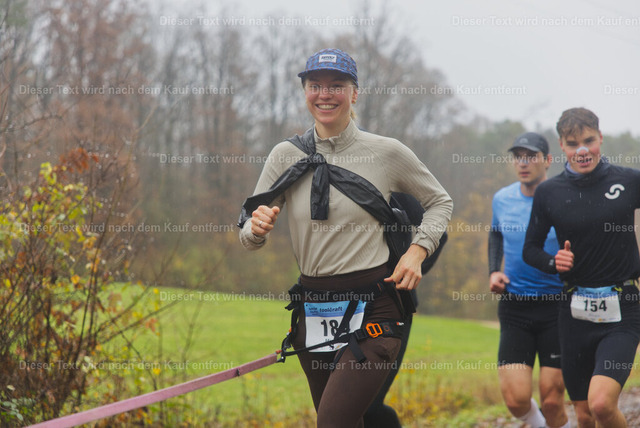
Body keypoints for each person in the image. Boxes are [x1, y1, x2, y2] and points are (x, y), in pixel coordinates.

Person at [238, 48, 452, 428]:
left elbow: (439, 202)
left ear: (355, 93)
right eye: (315, 85)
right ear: (305, 91)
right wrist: (255, 230)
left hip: (374, 309)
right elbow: (248, 231)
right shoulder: (285, 155)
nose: (325, 94)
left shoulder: (386, 152)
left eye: (336, 85)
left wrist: (418, 251)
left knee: (332, 422)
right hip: (313, 311)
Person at [523, 107, 640, 428]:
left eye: (589, 141)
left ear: (600, 138)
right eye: (573, 144)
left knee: (602, 404)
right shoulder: (549, 192)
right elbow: (530, 249)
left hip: (623, 308)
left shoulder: (629, 180)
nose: (582, 150)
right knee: (585, 415)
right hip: (574, 313)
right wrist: (553, 262)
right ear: (562, 145)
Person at [488, 132, 569, 428]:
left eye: (531, 156)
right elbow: (496, 234)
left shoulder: (565, 197)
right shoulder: (502, 199)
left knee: (552, 399)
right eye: (518, 157)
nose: (523, 163)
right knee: (516, 400)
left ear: (547, 160)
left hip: (557, 306)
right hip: (515, 306)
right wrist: (493, 270)